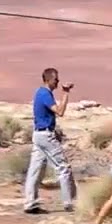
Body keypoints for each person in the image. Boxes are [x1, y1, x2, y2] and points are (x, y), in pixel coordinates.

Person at [23, 68, 76, 214]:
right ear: (49, 79)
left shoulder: (40, 93)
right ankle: (69, 202)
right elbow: (60, 111)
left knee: (35, 169)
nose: (58, 82)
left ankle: (30, 202)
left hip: (38, 135)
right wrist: (66, 92)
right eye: (56, 80)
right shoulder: (45, 94)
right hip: (46, 135)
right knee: (63, 167)